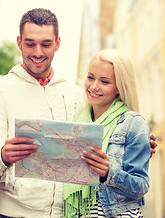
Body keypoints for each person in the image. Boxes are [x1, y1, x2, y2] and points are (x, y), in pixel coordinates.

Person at [0, 8, 157, 218]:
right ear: (19, 42)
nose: (37, 52)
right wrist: (2, 156)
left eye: (46, 44)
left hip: (68, 213)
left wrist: (137, 145)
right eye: (30, 43)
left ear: (58, 43)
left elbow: (100, 138)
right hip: (15, 213)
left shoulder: (76, 94)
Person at [64, 49, 150, 217]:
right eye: (90, 77)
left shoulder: (133, 123)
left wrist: (108, 173)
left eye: (104, 81)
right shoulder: (77, 121)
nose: (94, 86)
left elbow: (141, 186)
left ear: (120, 87)